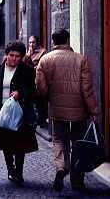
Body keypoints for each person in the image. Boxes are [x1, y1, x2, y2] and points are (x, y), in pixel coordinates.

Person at [35, 29, 99, 192]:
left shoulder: (45, 60)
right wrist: (94, 111)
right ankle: (77, 182)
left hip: (57, 109)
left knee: (58, 140)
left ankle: (61, 168)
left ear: (53, 41)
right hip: (79, 110)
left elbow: (40, 88)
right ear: (68, 40)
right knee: (78, 143)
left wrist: (49, 97)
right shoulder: (80, 59)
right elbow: (87, 89)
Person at [0, 41, 38, 185]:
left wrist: (21, 93)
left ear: (21, 57)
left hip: (19, 112)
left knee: (19, 143)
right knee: (5, 142)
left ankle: (19, 171)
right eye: (11, 55)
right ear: (6, 55)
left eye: (17, 56)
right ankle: (10, 169)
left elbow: (33, 91)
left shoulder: (27, 70)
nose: (14, 59)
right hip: (1, 112)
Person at [23, 35, 48, 127]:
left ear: (37, 42)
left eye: (33, 42)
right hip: (28, 80)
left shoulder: (43, 51)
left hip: (38, 78)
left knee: (39, 101)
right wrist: (27, 55)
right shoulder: (27, 52)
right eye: (29, 42)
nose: (31, 44)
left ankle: (42, 120)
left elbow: (43, 65)